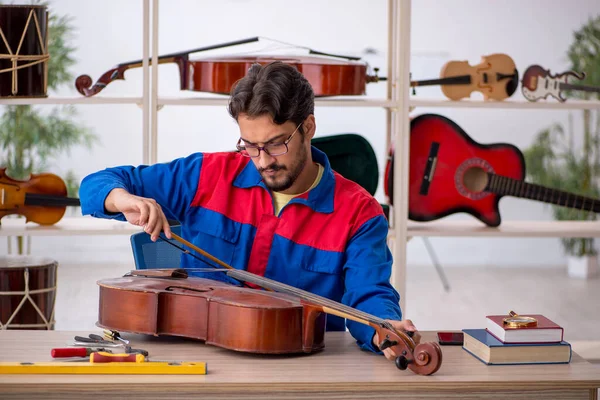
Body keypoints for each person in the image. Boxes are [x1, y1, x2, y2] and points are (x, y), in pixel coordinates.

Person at [79, 61, 419, 360]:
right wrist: (122, 199)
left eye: (276, 144)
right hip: (194, 353)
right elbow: (97, 184)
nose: (263, 161)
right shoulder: (206, 175)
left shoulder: (361, 214)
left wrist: (383, 329)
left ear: (309, 128)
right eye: (250, 145)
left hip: (298, 365)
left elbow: (369, 296)